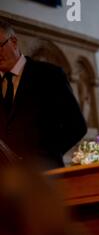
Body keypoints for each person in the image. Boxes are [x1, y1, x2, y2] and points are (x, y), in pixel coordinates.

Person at [0, 19, 87, 170]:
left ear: (13, 42)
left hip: (45, 177)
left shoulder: (49, 75)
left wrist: (45, 155)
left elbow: (77, 126)